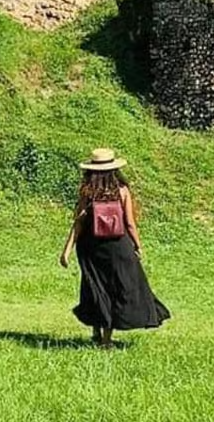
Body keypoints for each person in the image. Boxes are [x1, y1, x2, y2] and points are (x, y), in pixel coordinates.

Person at [60, 148, 170, 348]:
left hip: (91, 248)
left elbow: (79, 222)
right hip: (118, 247)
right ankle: (106, 340)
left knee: (95, 287)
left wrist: (66, 250)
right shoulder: (122, 191)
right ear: (114, 170)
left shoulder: (87, 192)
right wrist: (137, 244)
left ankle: (96, 330)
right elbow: (129, 223)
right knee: (117, 289)